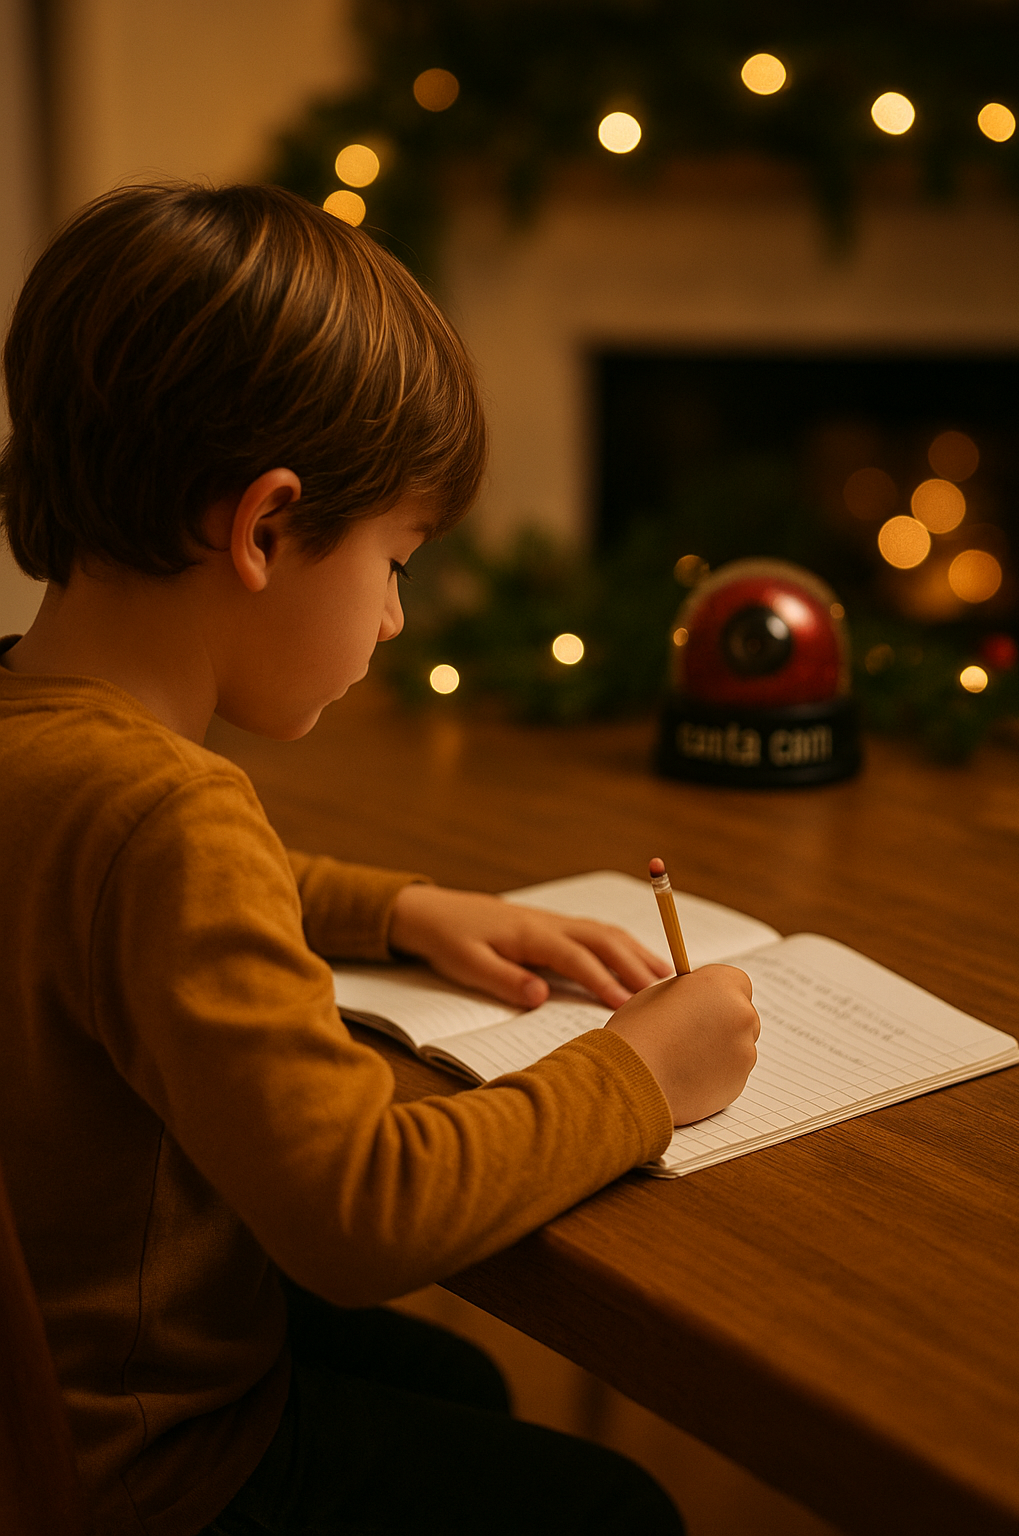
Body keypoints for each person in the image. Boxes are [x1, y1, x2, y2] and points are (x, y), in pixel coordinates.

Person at [0, 183, 760, 1536]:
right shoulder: (168, 816)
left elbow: (108, 890)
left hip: (57, 1385)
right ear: (268, 527)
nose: (400, 617)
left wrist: (401, 909)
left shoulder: (39, 733)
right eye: (399, 560)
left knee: (456, 1376)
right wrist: (642, 1073)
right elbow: (362, 1213)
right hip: (149, 1474)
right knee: (615, 1509)